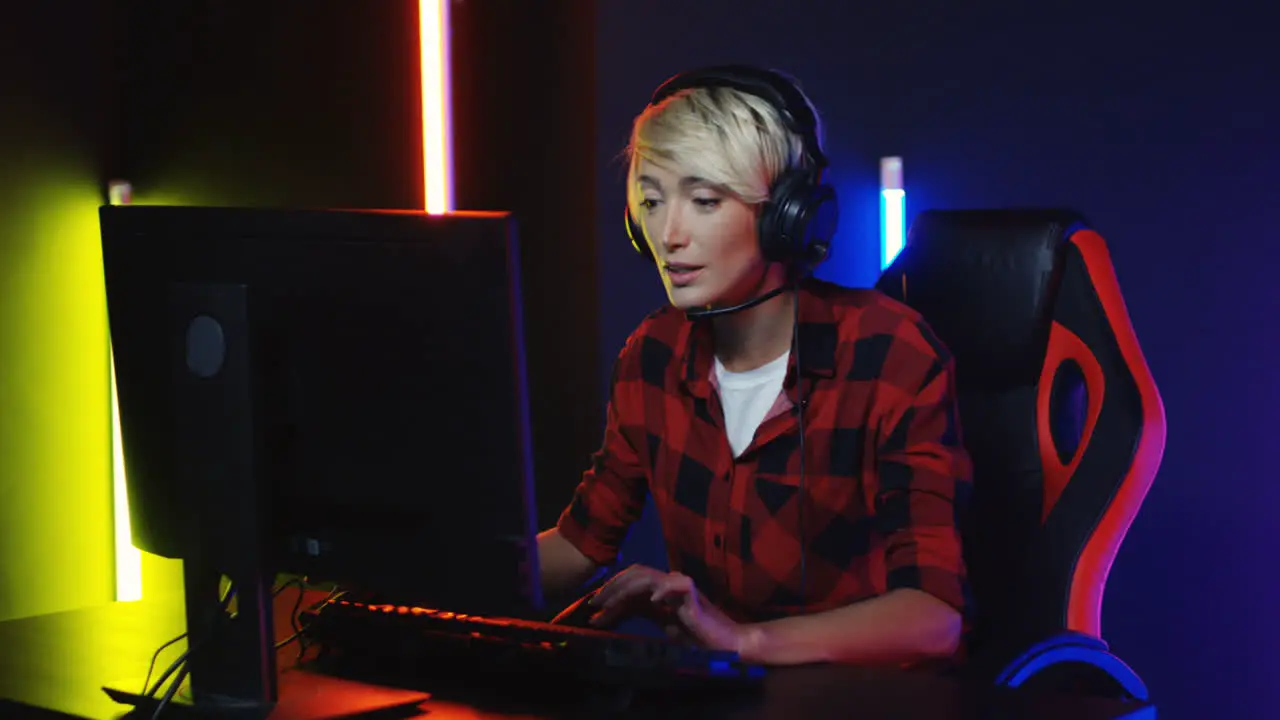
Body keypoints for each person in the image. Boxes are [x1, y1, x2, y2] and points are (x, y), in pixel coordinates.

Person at [536, 65, 972, 668]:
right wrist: (420, 579)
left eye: (706, 201)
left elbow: (933, 616)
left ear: (789, 216)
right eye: (653, 202)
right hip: (720, 702)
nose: (669, 233)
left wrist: (745, 641)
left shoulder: (889, 351)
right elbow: (583, 543)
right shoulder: (652, 356)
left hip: (865, 702)